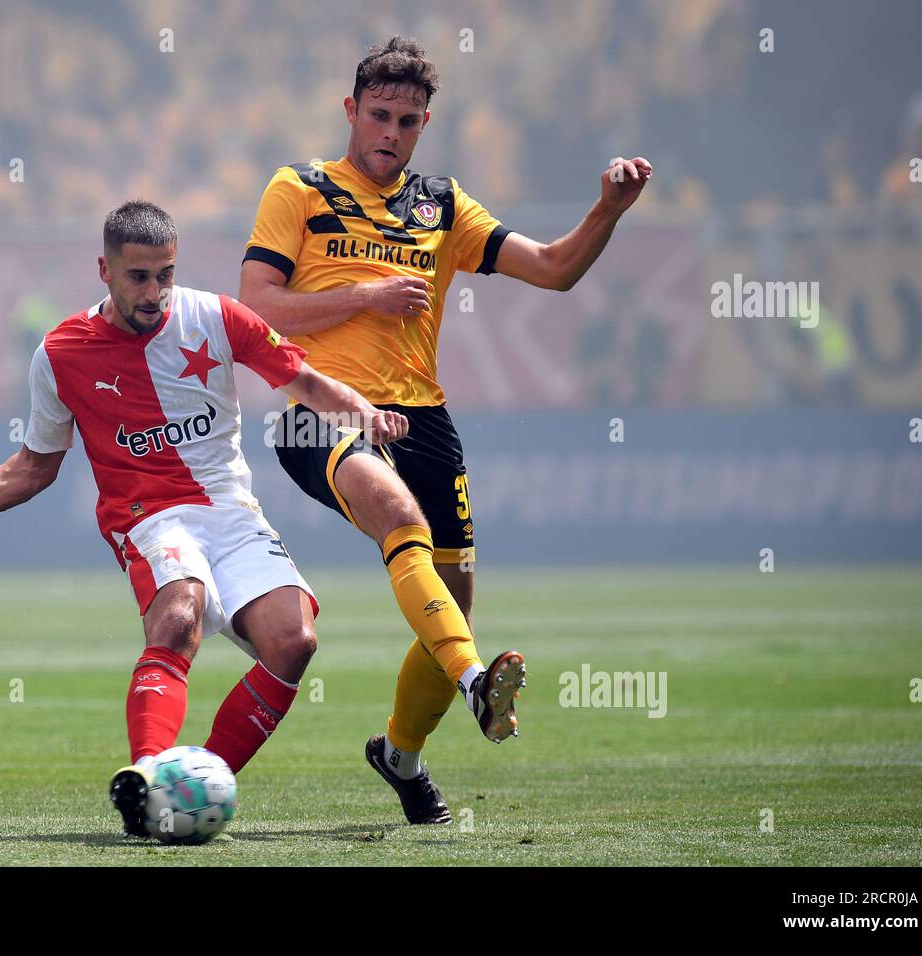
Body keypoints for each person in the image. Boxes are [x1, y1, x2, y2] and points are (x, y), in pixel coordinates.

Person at [0, 200, 408, 836]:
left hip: (231, 512)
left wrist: (364, 414)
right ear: (104, 270)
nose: (156, 292)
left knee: (294, 643)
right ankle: (146, 774)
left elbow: (307, 383)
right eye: (139, 277)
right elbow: (33, 467)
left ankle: (187, 789)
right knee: (179, 615)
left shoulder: (215, 317)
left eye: (166, 274)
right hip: (148, 516)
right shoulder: (60, 354)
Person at [239, 36, 652, 824]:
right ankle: (475, 685)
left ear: (425, 124)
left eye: (407, 121)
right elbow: (255, 305)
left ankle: (400, 755)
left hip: (423, 420)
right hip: (319, 411)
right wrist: (365, 296)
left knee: (452, 602)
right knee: (402, 522)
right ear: (350, 111)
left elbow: (556, 268)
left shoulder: (442, 205)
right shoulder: (298, 188)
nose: (390, 133)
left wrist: (607, 210)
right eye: (378, 115)